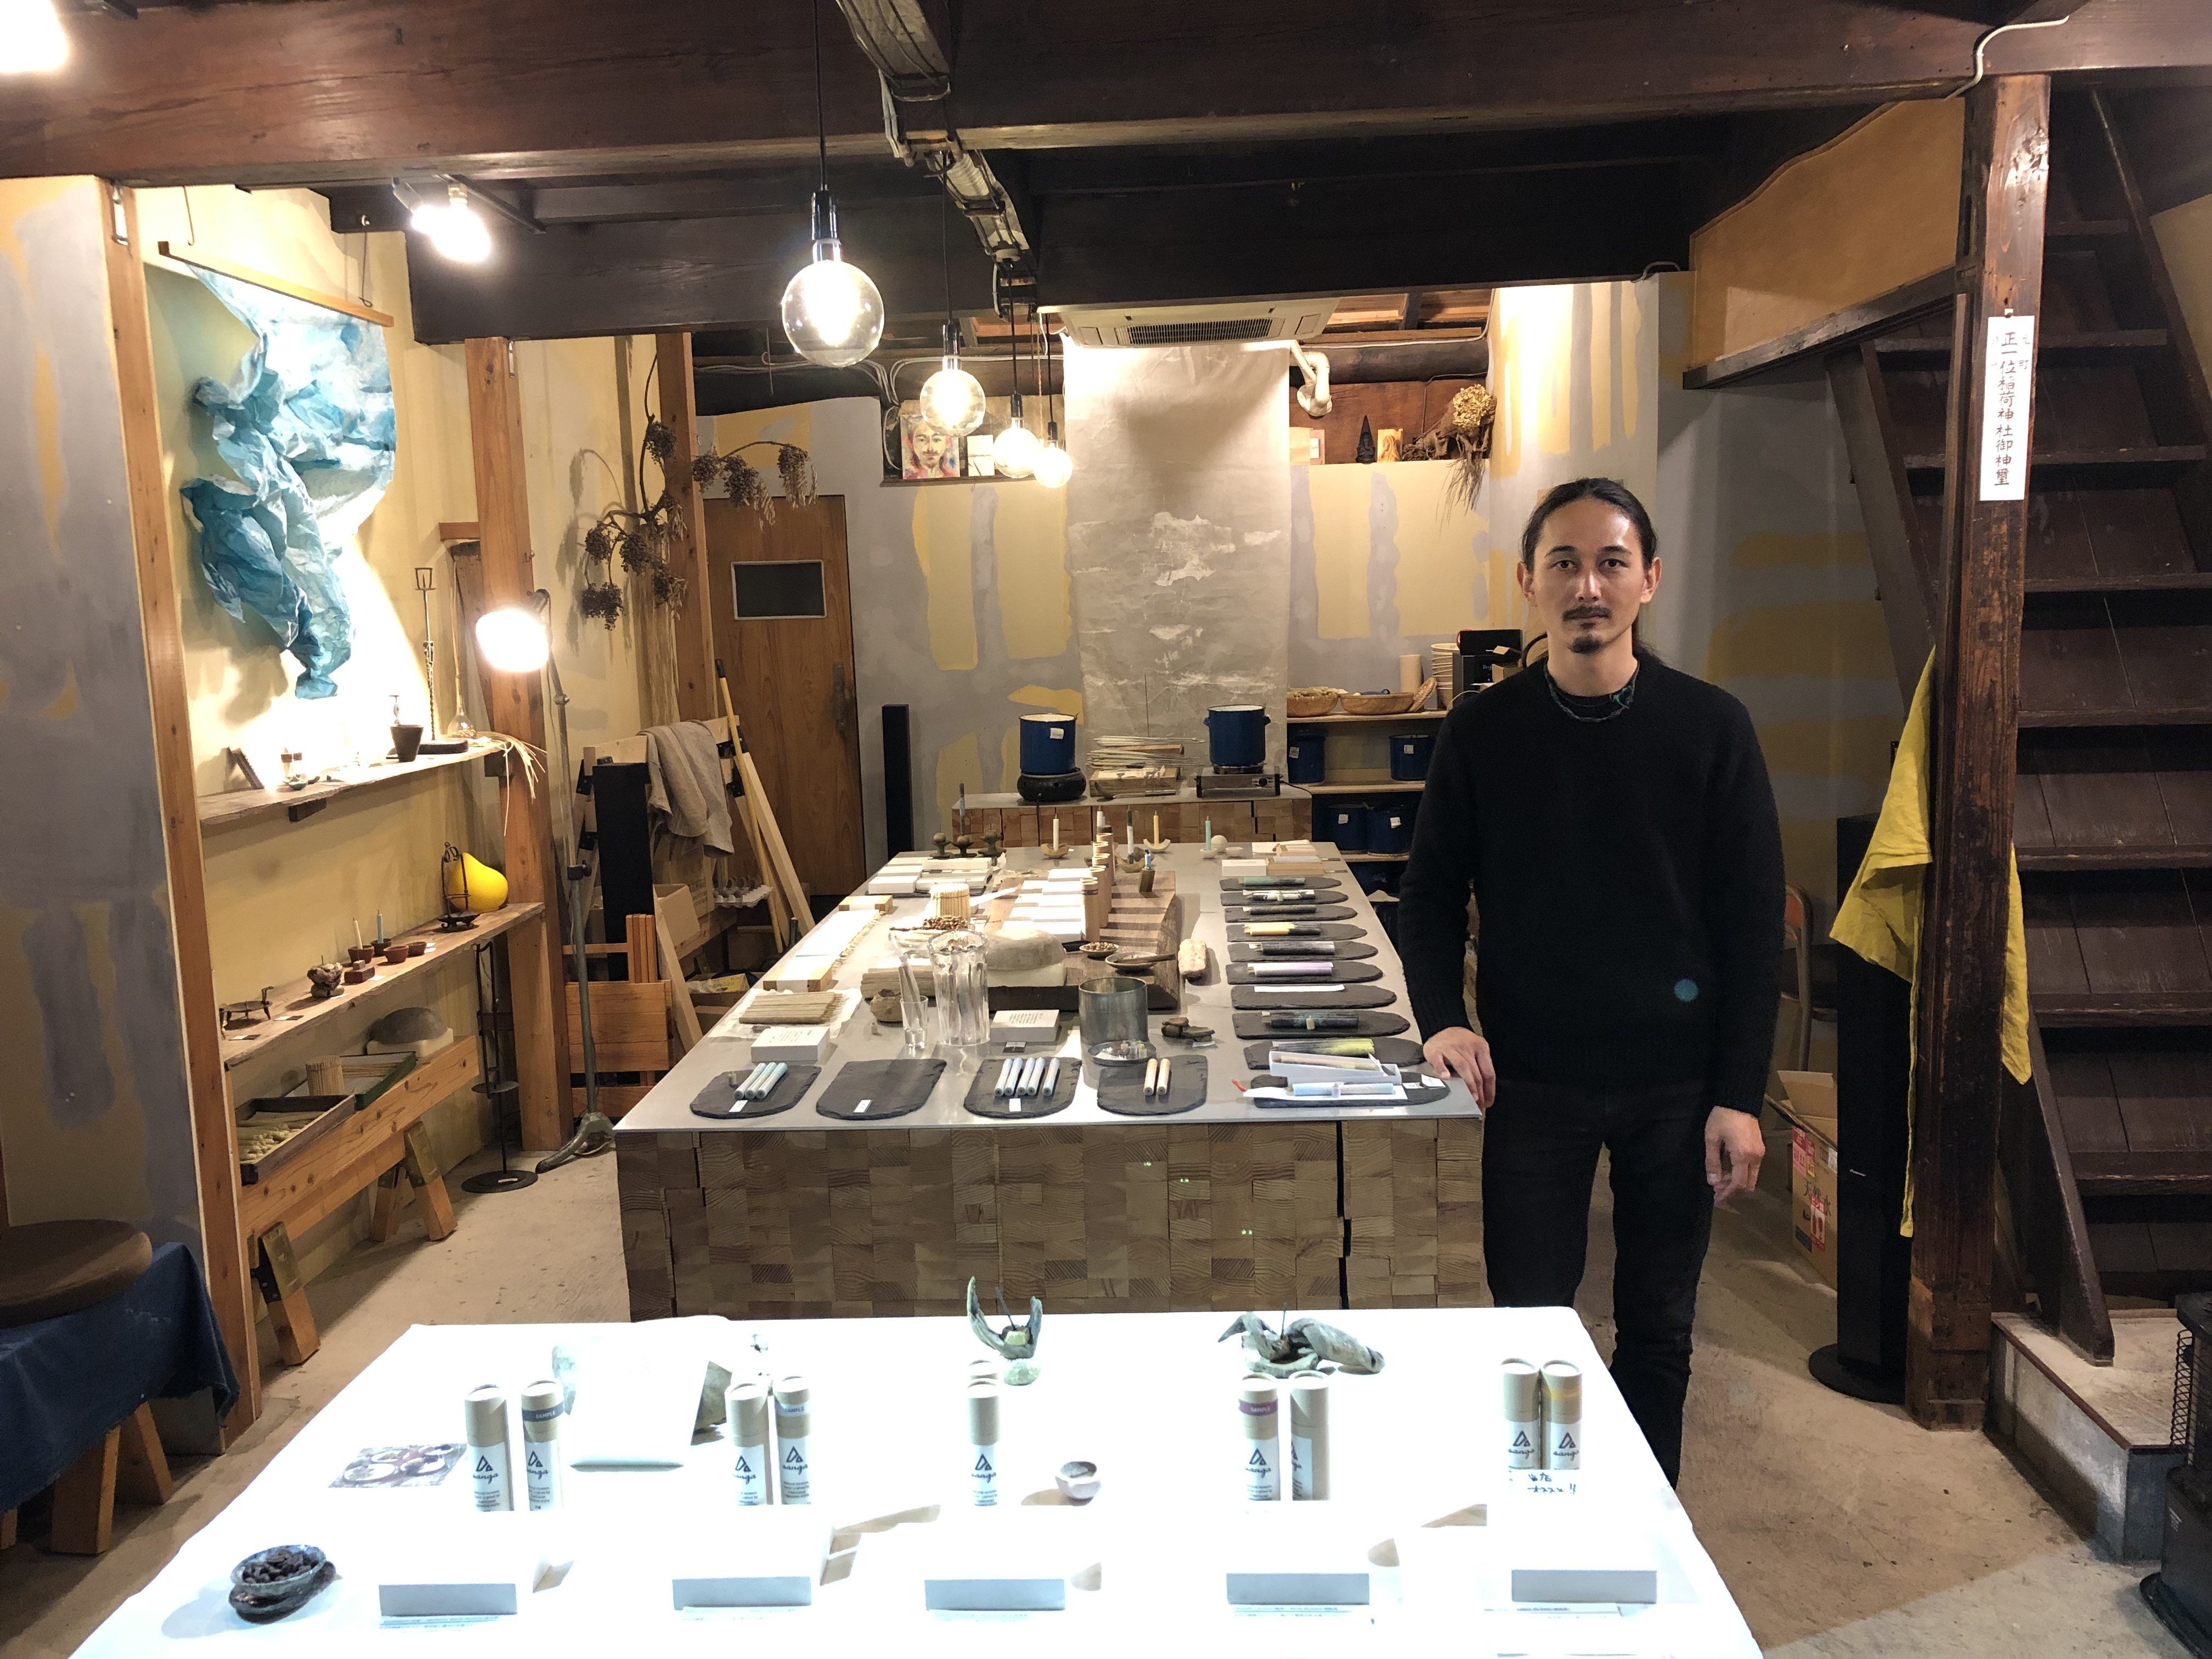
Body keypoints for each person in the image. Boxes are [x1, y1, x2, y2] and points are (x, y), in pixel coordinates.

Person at [1397, 476, 1781, 1486]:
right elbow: (1427, 897)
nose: (1588, 586)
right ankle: (1541, 1507)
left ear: (1649, 580)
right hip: (1531, 1082)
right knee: (1529, 1327)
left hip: (1677, 1089)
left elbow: (1751, 931)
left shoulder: (1712, 729)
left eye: (1612, 563)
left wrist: (1740, 1095)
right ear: (1529, 582)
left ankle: (1643, 1525)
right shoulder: (1483, 732)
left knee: (1658, 1329)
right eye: (1563, 564)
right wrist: (1441, 1020)